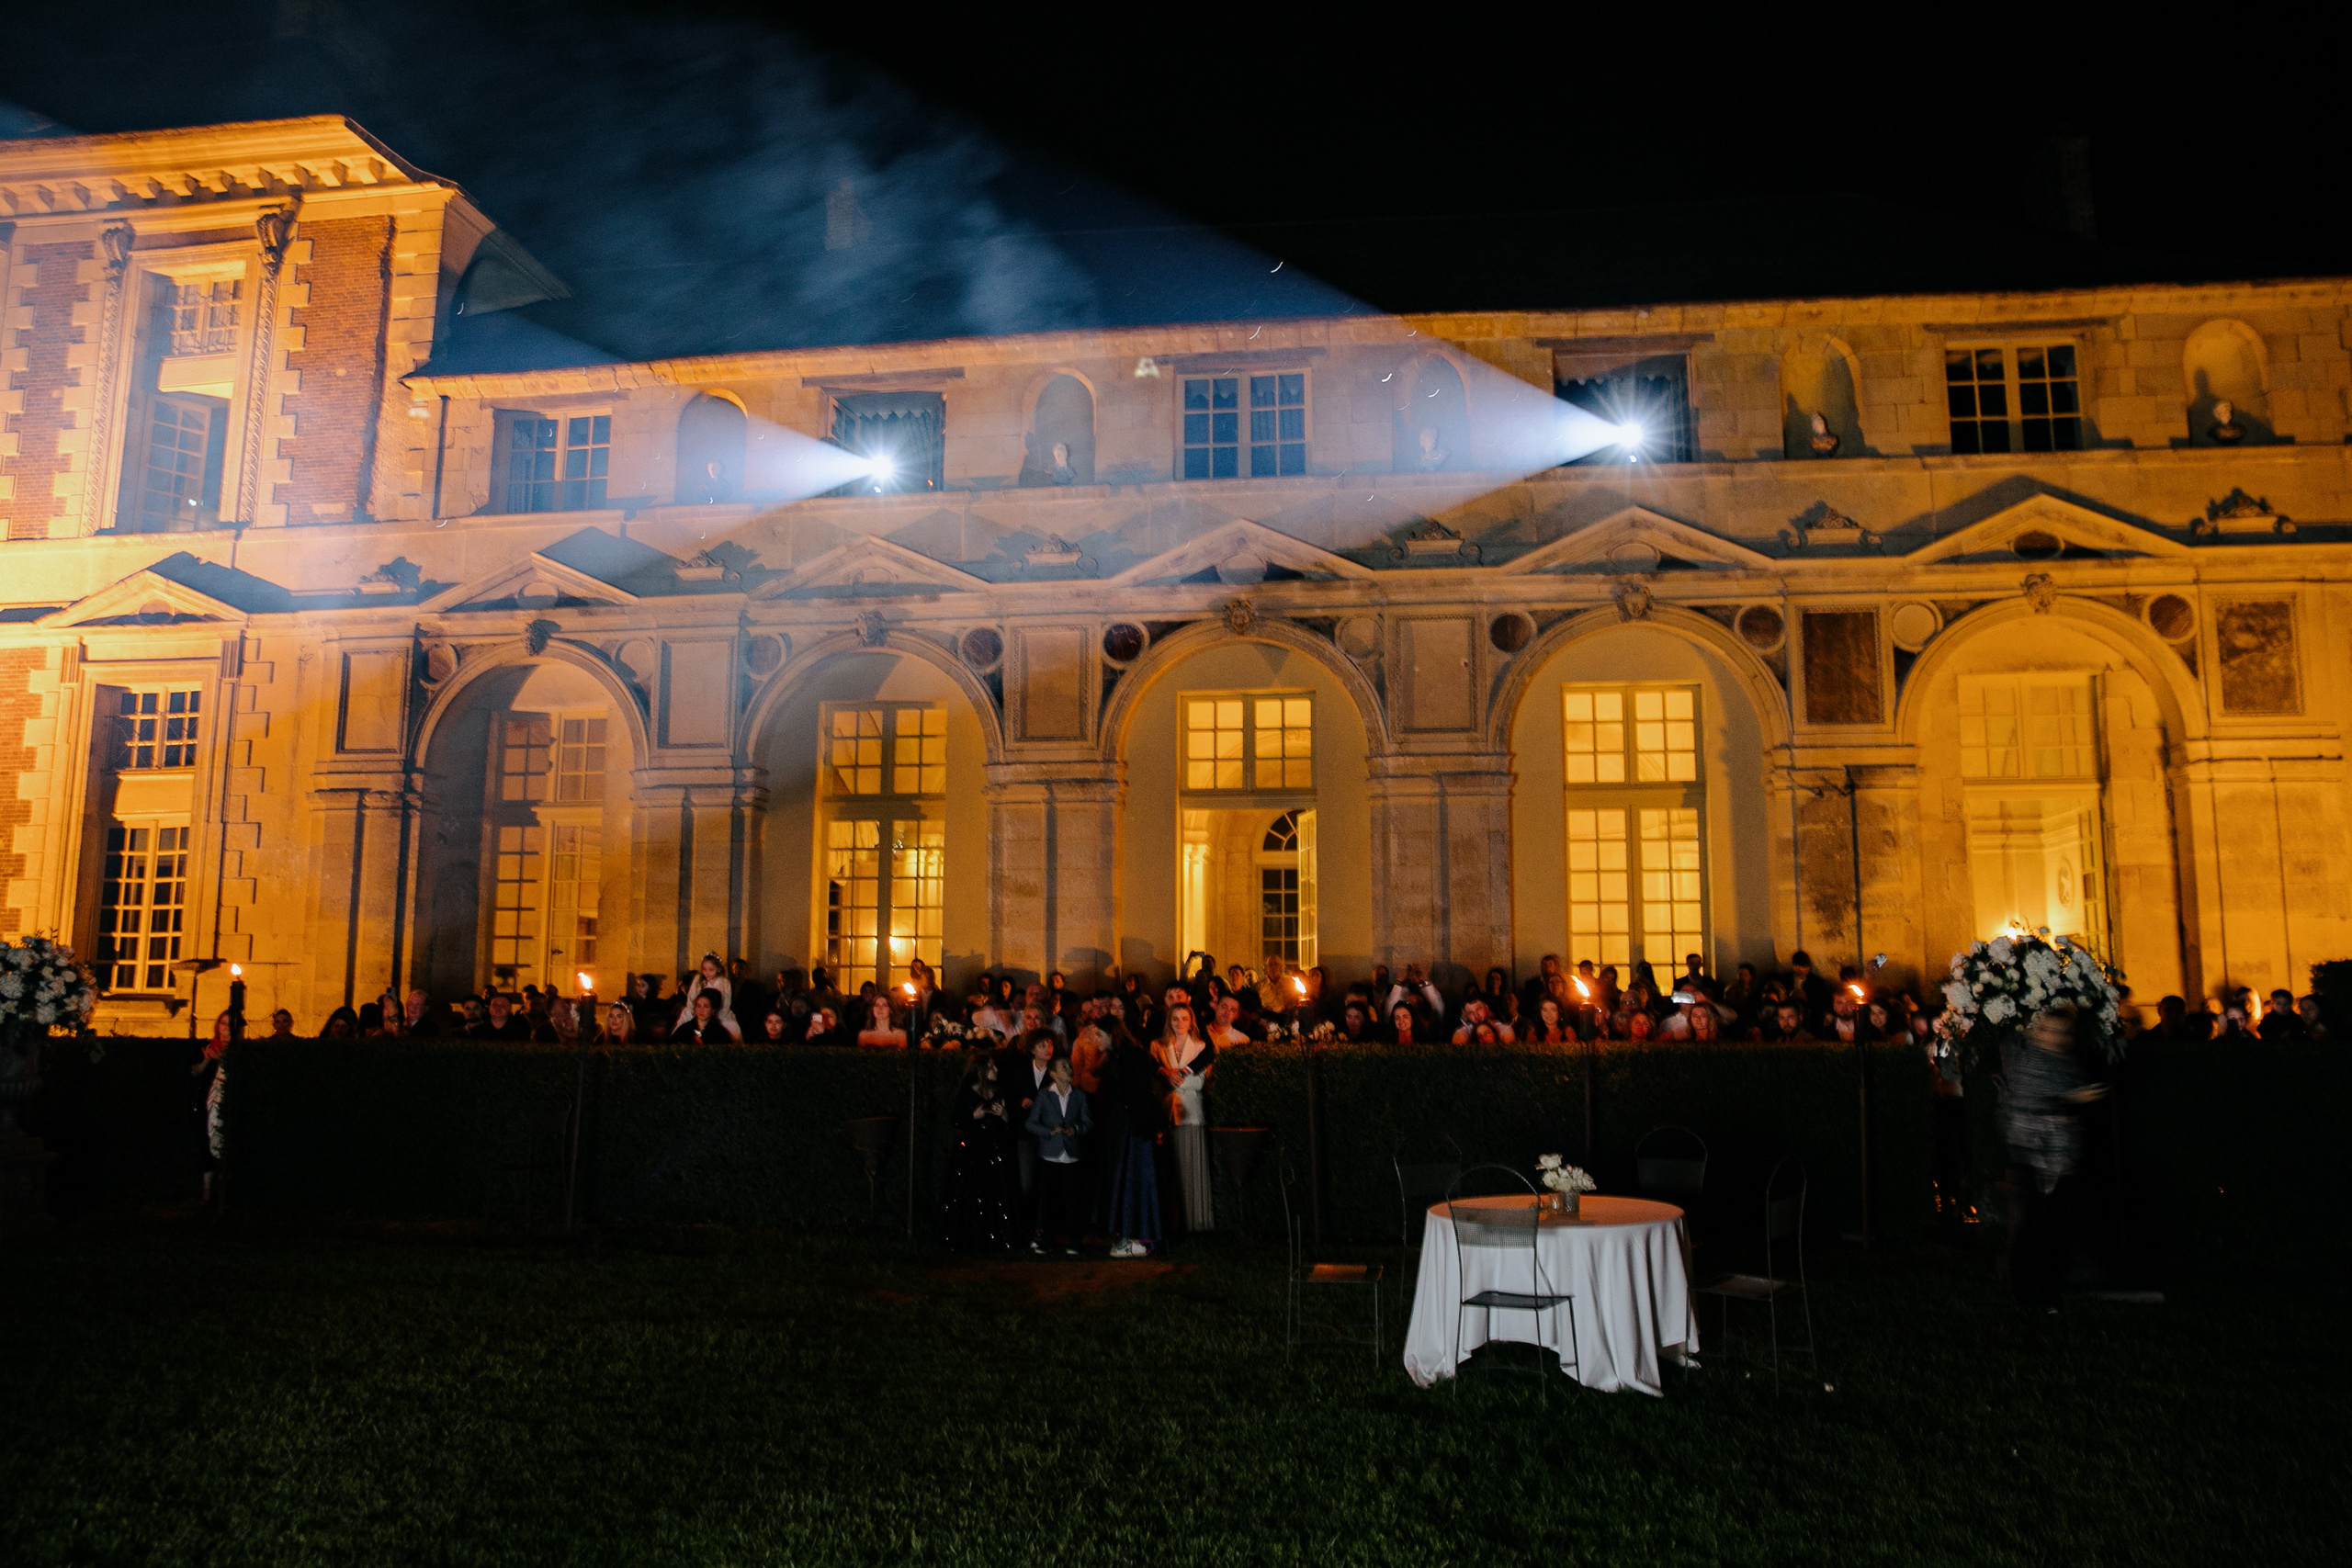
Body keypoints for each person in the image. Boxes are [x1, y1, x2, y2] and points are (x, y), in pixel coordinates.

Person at [2002, 1003, 2108, 1310]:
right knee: (2036, 1228)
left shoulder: (2065, 1062)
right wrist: (2070, 1099)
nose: (2058, 1038)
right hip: (2035, 1156)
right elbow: (2026, 1104)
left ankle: (2048, 1289)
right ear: (2039, 1030)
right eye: (2052, 1031)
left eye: (2064, 1032)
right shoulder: (2028, 1061)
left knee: (2052, 1227)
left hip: (2061, 1158)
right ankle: (2031, 1294)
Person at [1097, 1021, 1169, 1258]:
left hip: (1134, 1129)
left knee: (1134, 1180)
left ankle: (1141, 1238)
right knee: (1125, 1180)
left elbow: (1140, 1093)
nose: (1096, 1040)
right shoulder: (1119, 1056)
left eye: (1099, 1034)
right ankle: (1131, 1235)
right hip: (1125, 1127)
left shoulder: (1132, 1056)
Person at [939, 1055, 1016, 1252]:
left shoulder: (999, 1092)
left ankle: (995, 1237)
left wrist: (1004, 1116)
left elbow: (1010, 1125)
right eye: (991, 1067)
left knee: (994, 1191)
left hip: (994, 1149)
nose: (996, 1070)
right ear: (980, 1070)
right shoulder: (967, 1093)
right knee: (970, 1192)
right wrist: (973, 1116)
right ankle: (970, 1237)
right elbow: (956, 1120)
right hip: (971, 1151)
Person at [1156, 1002, 1216, 1235]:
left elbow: (1200, 1081)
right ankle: (1173, 1223)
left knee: (1193, 1167)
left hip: (1192, 1113)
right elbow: (1157, 1076)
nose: (1179, 1023)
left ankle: (1196, 1222)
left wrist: (1178, 1079)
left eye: (1184, 1019)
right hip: (1168, 1112)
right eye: (1175, 1019)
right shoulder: (1161, 1046)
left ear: (1192, 1022)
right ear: (1169, 1022)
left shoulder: (1201, 1047)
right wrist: (1166, 1075)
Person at [1025, 1053, 1091, 1254]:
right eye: (1064, 1067)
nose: (1069, 1070)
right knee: (1048, 1200)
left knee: (1073, 1201)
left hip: (1071, 1156)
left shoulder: (1079, 1096)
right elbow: (1030, 1123)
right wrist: (1047, 1132)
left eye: (1069, 1066)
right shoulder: (1045, 1096)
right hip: (1050, 1155)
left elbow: (1088, 1122)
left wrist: (1076, 1129)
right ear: (1053, 1074)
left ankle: (1074, 1241)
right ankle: (1045, 1239)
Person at [676, 953, 732, 1032]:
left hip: (718, 1014)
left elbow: (726, 1003)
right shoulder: (698, 979)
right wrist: (695, 1012)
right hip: (697, 1011)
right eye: (704, 969)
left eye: (711, 970)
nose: (707, 973)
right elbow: (691, 997)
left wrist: (717, 1017)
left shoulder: (724, 982)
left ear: (718, 969)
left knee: (730, 1027)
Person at [668, 990, 740, 1045]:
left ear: (713, 1010)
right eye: (698, 1006)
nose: (701, 1010)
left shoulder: (720, 1033)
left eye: (706, 1006)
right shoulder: (684, 1029)